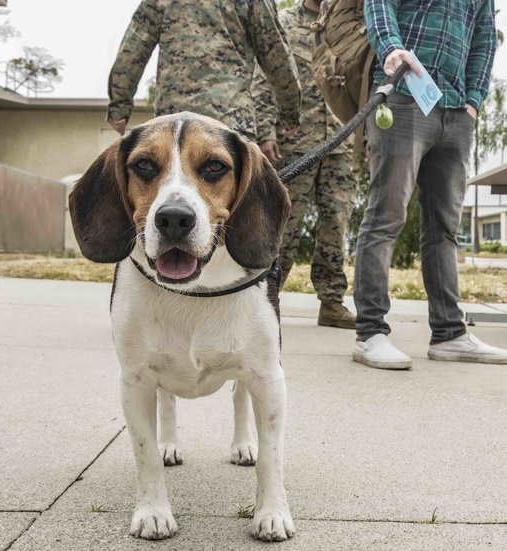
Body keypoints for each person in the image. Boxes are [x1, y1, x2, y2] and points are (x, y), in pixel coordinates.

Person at [352, 0, 507, 369]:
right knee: (385, 219)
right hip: (404, 97)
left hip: (456, 111)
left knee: (444, 229)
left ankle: (449, 335)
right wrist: (391, 48)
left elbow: (485, 41)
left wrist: (473, 101)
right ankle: (370, 334)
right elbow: (379, 4)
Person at [252, 0, 358, 330]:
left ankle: (332, 302)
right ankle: (265, 299)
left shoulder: (349, 23)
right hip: (294, 143)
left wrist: (367, 136)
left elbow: (360, 82)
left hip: (342, 141)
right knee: (285, 223)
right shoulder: (284, 22)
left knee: (337, 222)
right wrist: (265, 132)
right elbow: (264, 78)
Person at [107, 0, 301, 141]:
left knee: (177, 194)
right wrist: (290, 114)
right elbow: (277, 56)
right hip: (230, 120)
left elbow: (133, 49)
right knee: (231, 194)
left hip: (174, 124)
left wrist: (119, 106)